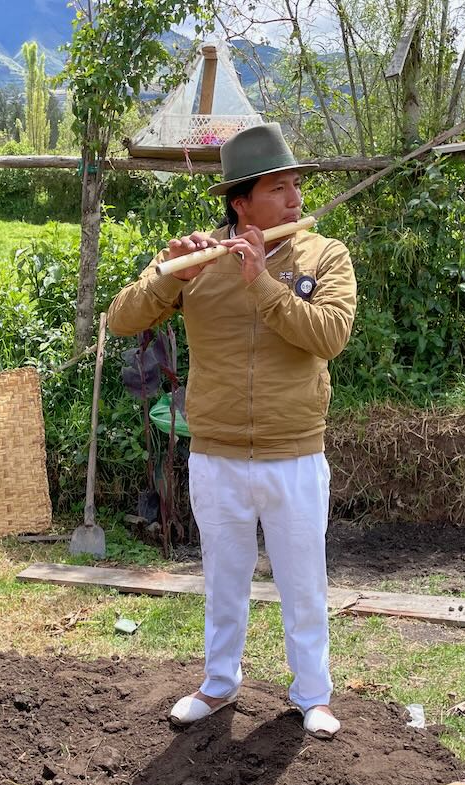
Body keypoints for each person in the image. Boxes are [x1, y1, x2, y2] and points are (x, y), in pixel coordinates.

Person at [107, 123, 357, 739]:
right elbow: (121, 319)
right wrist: (170, 277)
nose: (295, 198)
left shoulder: (325, 257)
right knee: (224, 578)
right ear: (240, 201)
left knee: (303, 583)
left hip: (293, 453)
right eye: (279, 188)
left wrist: (264, 285)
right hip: (216, 452)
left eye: (297, 185)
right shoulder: (200, 260)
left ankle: (312, 696)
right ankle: (219, 685)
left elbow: (329, 335)